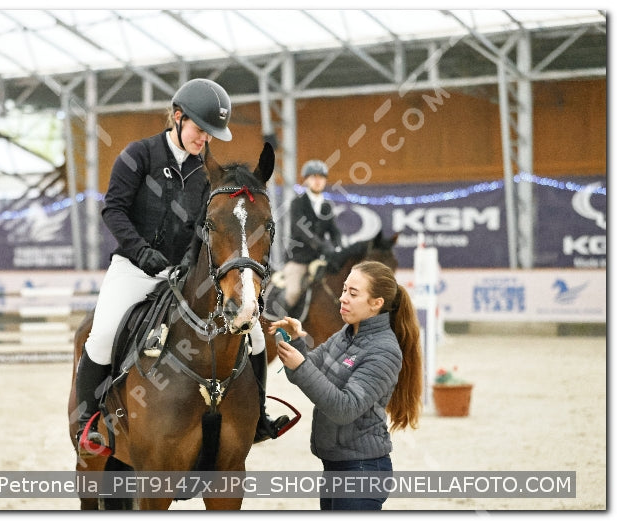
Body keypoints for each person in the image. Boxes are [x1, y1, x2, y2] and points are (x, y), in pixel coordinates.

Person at [75, 78, 288, 456]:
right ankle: (89, 424)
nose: (203, 139)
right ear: (177, 117)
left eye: (210, 134)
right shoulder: (138, 155)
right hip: (135, 268)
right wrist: (141, 252)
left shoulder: (210, 172)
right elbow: (114, 210)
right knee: (103, 333)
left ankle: (258, 418)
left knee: (252, 333)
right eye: (199, 130)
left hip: (187, 273)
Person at [268, 260, 422, 510]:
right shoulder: (345, 333)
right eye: (343, 290)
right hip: (336, 466)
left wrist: (300, 365)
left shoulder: (384, 351)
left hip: (362, 472)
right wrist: (296, 341)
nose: (342, 298)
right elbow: (306, 370)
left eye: (353, 293)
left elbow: (344, 408)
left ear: (376, 303)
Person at [281, 159, 342, 312]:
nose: (317, 181)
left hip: (319, 260)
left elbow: (334, 230)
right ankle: (282, 327)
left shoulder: (327, 205)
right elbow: (301, 231)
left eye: (321, 177)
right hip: (298, 259)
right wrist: (321, 246)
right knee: (293, 292)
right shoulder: (297, 203)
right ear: (306, 179)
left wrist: (338, 247)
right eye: (313, 177)